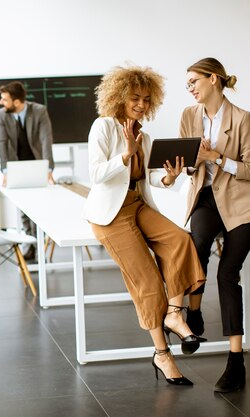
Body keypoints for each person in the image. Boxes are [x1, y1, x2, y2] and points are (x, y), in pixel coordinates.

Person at [82, 65, 206, 385]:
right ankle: (162, 354)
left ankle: (174, 314)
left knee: (180, 239)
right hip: (111, 215)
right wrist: (125, 154)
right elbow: (95, 174)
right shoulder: (104, 127)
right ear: (120, 96)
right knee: (148, 282)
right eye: (135, 98)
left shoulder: (144, 134)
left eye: (147, 99)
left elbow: (150, 178)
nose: (141, 104)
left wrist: (169, 177)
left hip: (137, 204)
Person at [180, 57, 250, 393]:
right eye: (187, 84)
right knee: (196, 243)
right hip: (206, 198)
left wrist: (216, 158)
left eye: (193, 82)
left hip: (241, 202)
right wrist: (186, 165)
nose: (190, 89)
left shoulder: (242, 119)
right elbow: (188, 166)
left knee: (227, 274)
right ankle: (194, 313)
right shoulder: (189, 116)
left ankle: (235, 362)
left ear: (213, 79)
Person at [0, 81, 55, 260]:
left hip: (36, 164)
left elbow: (46, 139)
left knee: (38, 208)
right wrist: (5, 171)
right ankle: (29, 246)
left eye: (5, 99)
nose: (0, 102)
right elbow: (2, 143)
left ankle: (39, 247)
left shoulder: (39, 111)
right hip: (16, 166)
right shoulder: (2, 114)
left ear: (17, 102)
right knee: (23, 208)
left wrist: (48, 168)